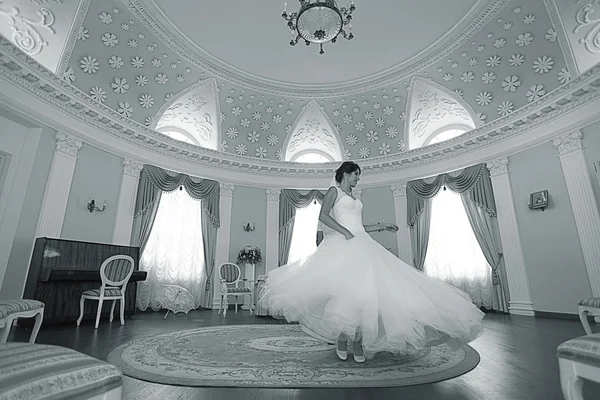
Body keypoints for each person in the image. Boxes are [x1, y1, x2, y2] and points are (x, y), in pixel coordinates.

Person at [258, 161, 485, 363]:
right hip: (344, 246)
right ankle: (342, 341)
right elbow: (323, 216)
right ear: (345, 174)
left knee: (365, 297)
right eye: (356, 174)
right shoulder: (333, 191)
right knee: (348, 296)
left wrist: (381, 226)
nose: (358, 178)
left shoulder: (355, 198)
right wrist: (345, 233)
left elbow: (359, 225)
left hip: (363, 243)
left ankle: (356, 343)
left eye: (358, 175)